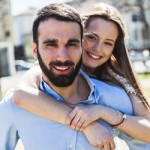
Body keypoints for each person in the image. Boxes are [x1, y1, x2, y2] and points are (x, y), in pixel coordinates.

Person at [12, 2, 150, 149]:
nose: (97, 49)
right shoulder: (56, 67)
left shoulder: (115, 77)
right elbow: (21, 94)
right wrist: (86, 125)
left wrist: (104, 112)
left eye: (108, 43)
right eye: (91, 37)